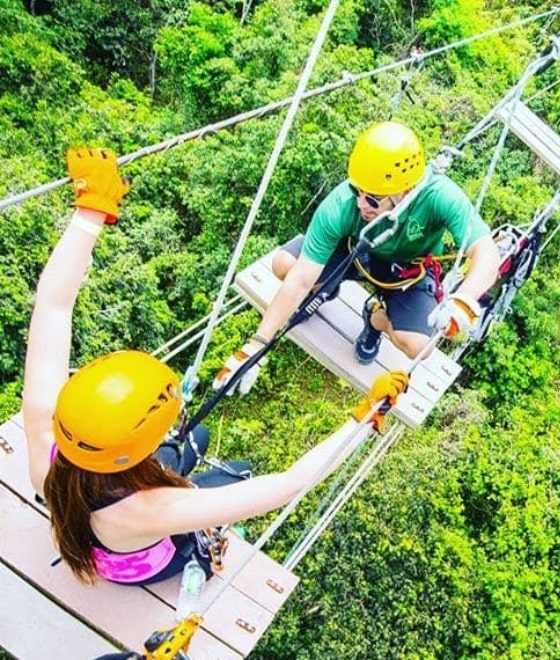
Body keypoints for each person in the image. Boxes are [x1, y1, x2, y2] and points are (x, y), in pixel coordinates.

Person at [22, 147, 409, 586]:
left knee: (196, 438)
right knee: (235, 474)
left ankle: (180, 467)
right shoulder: (152, 509)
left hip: (93, 521)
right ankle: (200, 556)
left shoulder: (44, 429)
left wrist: (90, 213)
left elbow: (53, 305)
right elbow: (284, 486)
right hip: (144, 562)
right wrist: (363, 419)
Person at [213, 120, 500, 395]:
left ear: (405, 193)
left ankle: (375, 319)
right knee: (283, 266)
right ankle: (325, 290)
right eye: (357, 191)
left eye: (373, 199)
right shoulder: (341, 205)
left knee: (419, 347)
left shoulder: (438, 195)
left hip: (406, 272)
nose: (362, 204)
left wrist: (464, 298)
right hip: (355, 254)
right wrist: (256, 345)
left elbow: (486, 251)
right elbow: (300, 277)